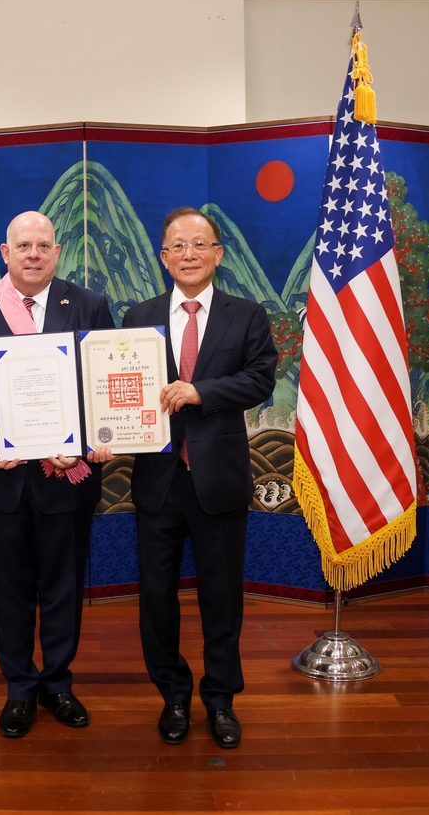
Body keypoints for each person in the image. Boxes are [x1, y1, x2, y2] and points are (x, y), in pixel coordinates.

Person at [89, 208, 277, 749]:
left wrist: (201, 392)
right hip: (157, 479)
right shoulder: (139, 315)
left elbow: (261, 378)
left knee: (222, 597)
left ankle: (220, 699)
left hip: (218, 479)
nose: (189, 254)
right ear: (163, 257)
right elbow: (117, 386)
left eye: (200, 244)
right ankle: (172, 693)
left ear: (219, 253)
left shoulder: (247, 315)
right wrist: (105, 434)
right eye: (177, 246)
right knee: (156, 597)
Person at [0, 211, 114, 738]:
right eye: (24, 245)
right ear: (5, 251)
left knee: (64, 587)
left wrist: (85, 442)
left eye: (43, 245)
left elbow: (104, 383)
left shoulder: (88, 304)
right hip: (2, 476)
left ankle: (58, 684)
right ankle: (19, 687)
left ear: (58, 252)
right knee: (7, 589)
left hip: (66, 477)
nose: (34, 254)